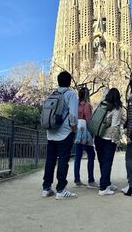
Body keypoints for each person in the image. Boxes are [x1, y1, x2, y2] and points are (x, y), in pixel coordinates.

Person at [42, 71, 78, 200]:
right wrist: (74, 129)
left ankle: (46, 188)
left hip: (50, 133)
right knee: (63, 161)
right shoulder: (71, 94)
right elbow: (73, 115)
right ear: (69, 82)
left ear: (58, 81)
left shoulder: (52, 94)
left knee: (50, 161)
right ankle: (61, 190)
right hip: (64, 133)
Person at [95, 88, 122, 196]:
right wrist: (116, 142)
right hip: (108, 139)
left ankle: (107, 182)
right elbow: (115, 127)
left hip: (97, 136)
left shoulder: (101, 104)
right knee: (107, 162)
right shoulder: (116, 108)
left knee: (102, 162)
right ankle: (103, 188)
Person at [74, 87, 98, 188]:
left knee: (78, 157)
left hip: (77, 132)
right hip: (86, 133)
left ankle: (77, 179)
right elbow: (88, 120)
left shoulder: (76, 104)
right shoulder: (87, 105)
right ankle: (91, 180)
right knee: (91, 155)